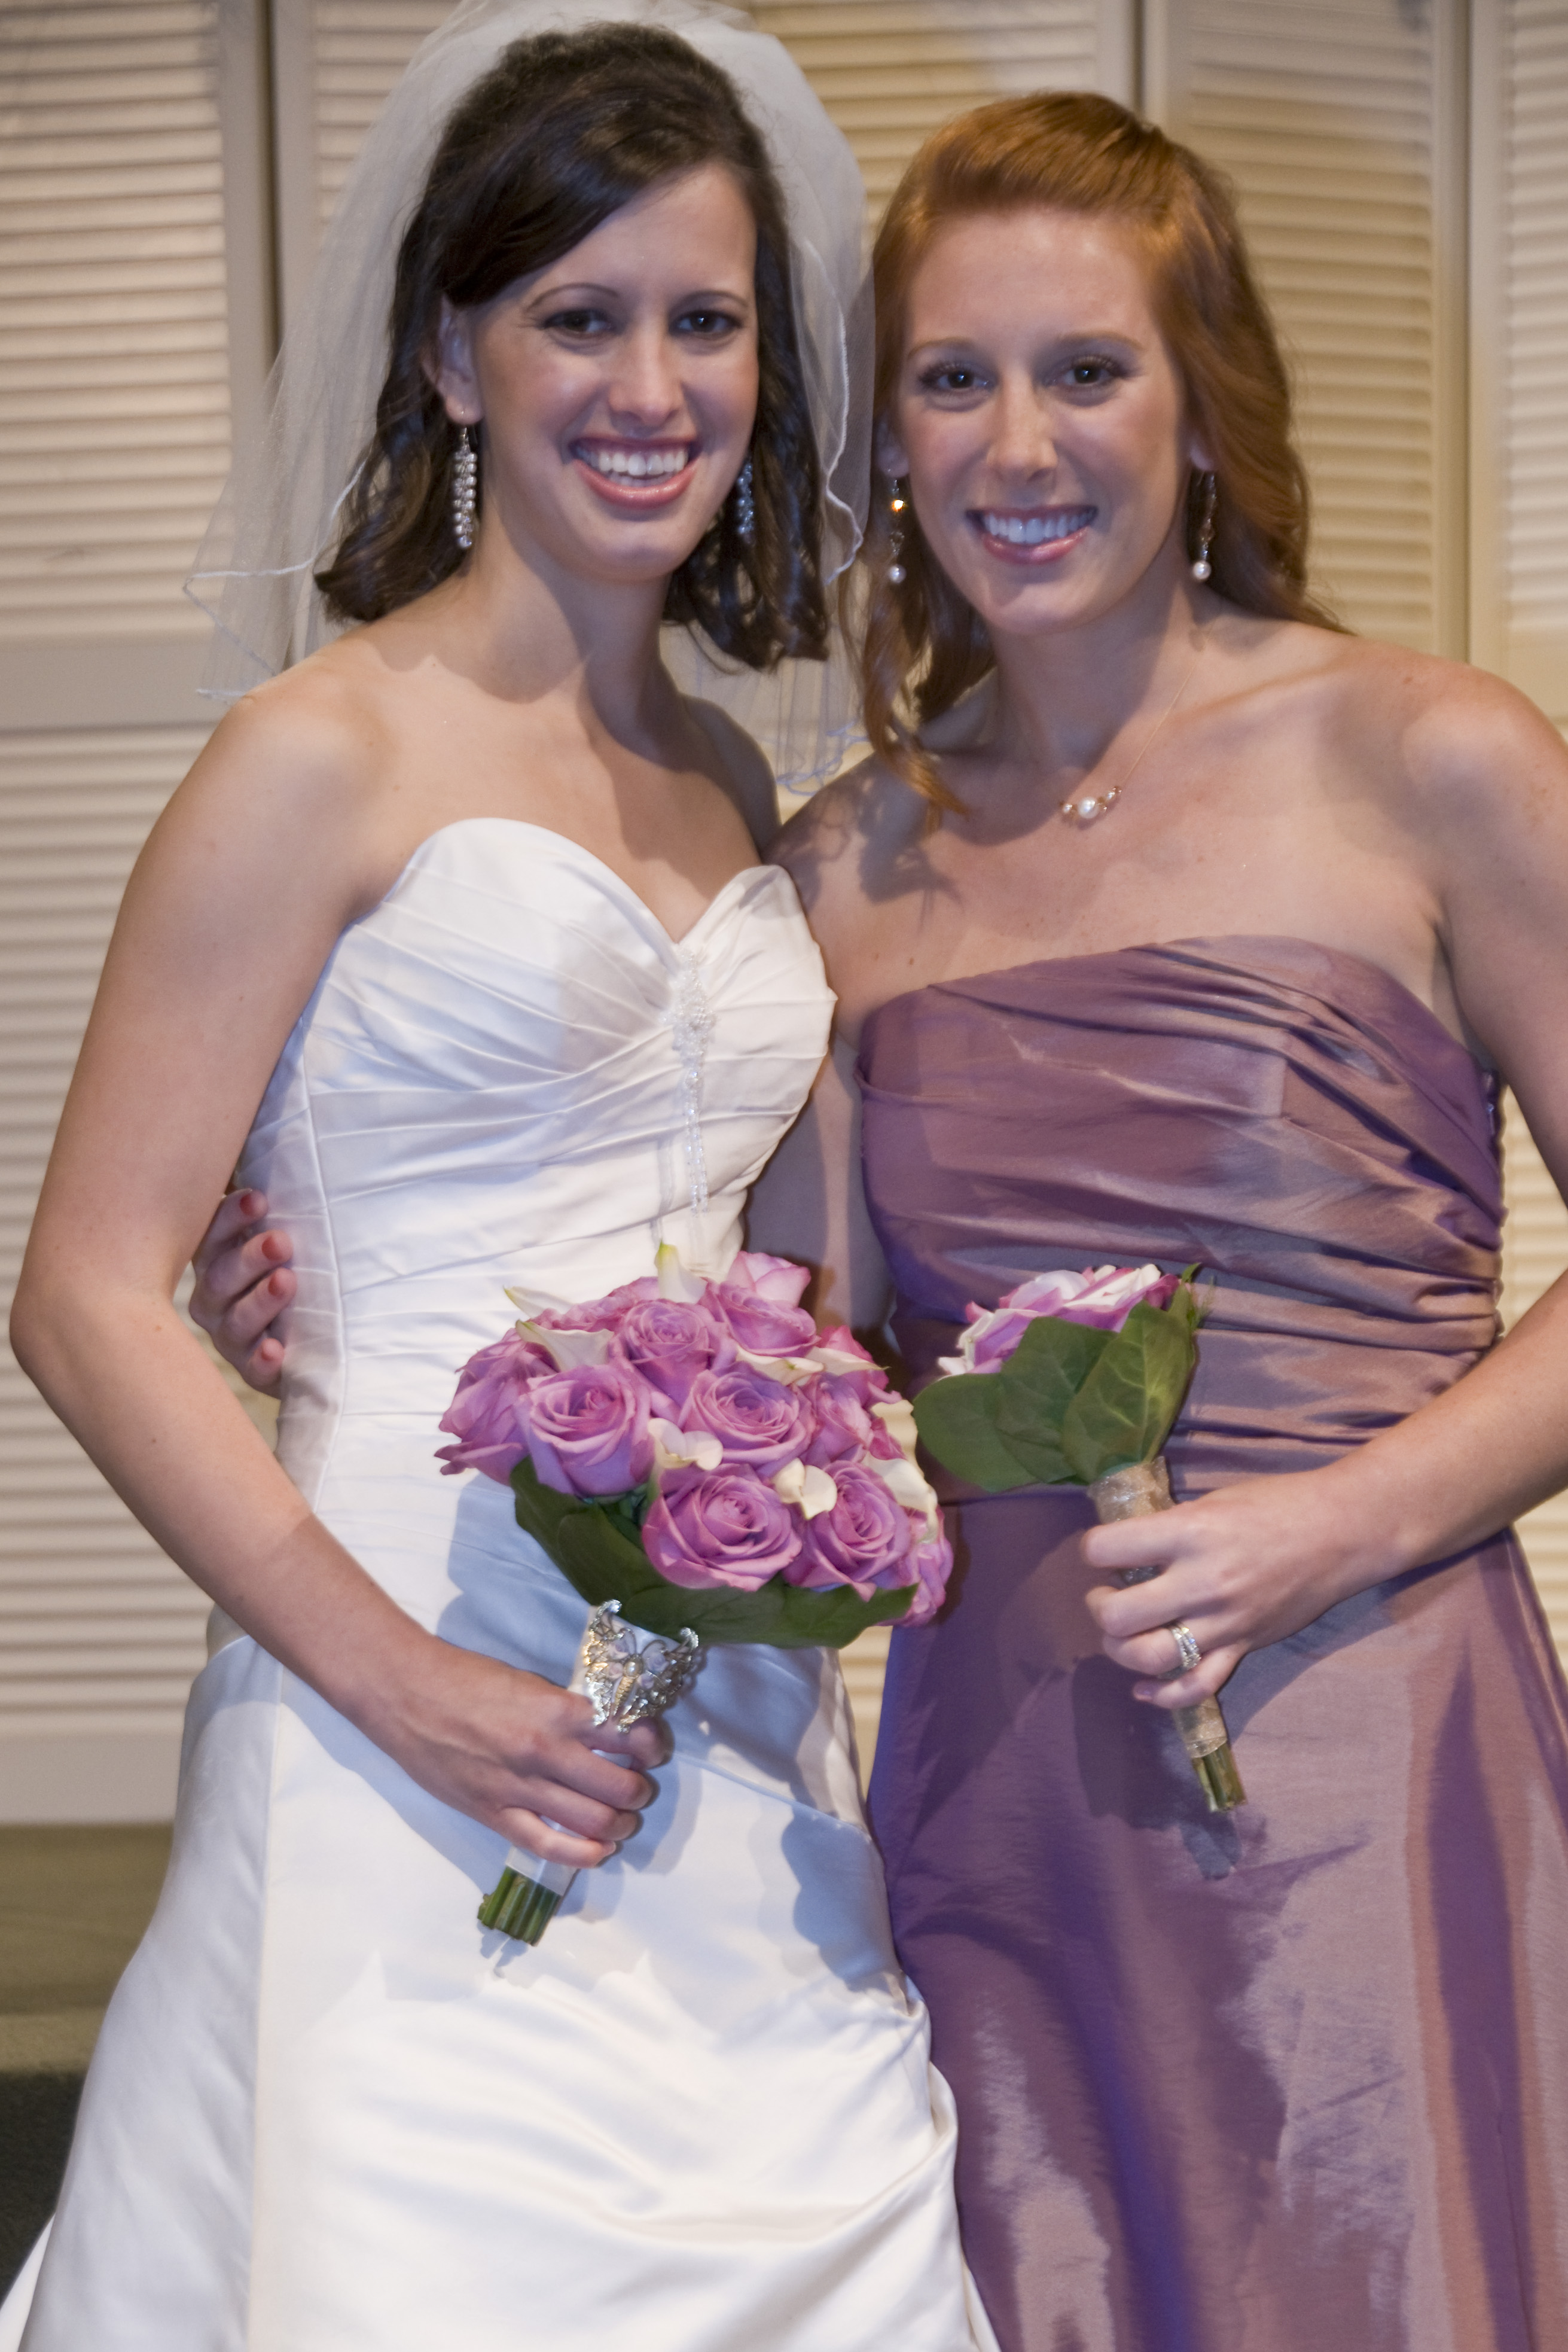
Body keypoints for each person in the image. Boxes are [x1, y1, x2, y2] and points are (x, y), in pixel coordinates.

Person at [1, 11, 990, 2348]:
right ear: (455, 357)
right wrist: (412, 1683)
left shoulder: (727, 782)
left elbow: (776, 1281)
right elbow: (86, 1293)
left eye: (704, 321)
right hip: (391, 1687)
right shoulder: (314, 754)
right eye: (578, 315)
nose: (650, 386)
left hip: (720, 1702)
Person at [754, 91, 1568, 2352]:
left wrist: (1338, 1522)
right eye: (954, 376)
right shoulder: (844, 869)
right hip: (999, 1802)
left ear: (1203, 407)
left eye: (1087, 369)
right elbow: (804, 1370)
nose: (1018, 444)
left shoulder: (1432, 760)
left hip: (1367, 1747)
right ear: (891, 439)